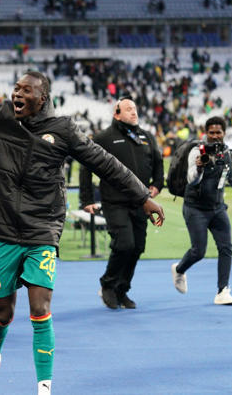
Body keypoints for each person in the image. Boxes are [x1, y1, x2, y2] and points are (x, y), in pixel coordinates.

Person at [0, 40, 164, 395]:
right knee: (2, 314)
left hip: (42, 230)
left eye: (25, 90)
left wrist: (142, 197)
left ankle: (44, 387)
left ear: (42, 98)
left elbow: (104, 163)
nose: (17, 93)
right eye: (16, 88)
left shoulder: (63, 130)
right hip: (1, 230)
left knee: (39, 307)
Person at [79, 97, 164, 309]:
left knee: (138, 247)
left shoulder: (147, 137)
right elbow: (85, 167)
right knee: (124, 244)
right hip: (114, 201)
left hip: (142, 202)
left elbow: (158, 163)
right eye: (128, 109)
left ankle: (122, 289)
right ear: (116, 114)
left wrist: (157, 185)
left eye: (135, 108)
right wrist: (87, 199)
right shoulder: (104, 138)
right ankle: (107, 285)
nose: (134, 112)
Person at [171, 116, 232, 306]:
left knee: (226, 248)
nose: (215, 136)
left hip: (217, 208)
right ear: (206, 133)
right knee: (198, 251)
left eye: (219, 132)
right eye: (212, 133)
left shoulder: (227, 153)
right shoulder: (197, 151)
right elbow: (191, 179)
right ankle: (180, 269)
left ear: (224, 133)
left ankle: (222, 291)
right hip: (196, 208)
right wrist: (200, 167)